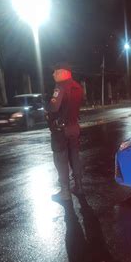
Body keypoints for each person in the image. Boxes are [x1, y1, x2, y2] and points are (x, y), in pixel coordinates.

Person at [46, 63, 84, 201]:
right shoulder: (78, 87)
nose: (53, 74)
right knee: (74, 157)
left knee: (60, 160)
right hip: (74, 127)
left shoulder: (60, 87)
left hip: (61, 131)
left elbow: (53, 108)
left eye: (56, 72)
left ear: (64, 72)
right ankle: (79, 186)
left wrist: (47, 108)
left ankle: (65, 192)